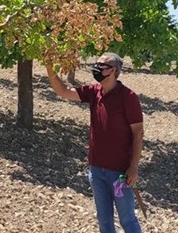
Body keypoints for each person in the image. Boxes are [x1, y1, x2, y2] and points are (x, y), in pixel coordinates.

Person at [46, 52, 144, 233]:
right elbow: (63, 92)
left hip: (120, 174)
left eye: (101, 65)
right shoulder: (93, 92)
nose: (96, 68)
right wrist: (49, 67)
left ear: (113, 70)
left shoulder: (128, 97)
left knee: (127, 219)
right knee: (104, 220)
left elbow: (138, 133)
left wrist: (134, 166)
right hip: (96, 170)